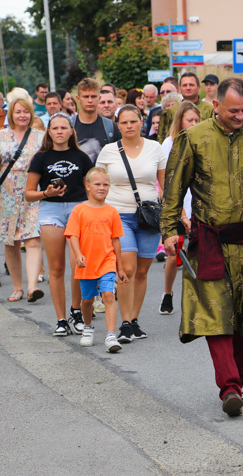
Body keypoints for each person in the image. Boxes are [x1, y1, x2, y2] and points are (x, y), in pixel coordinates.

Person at [161, 77, 243, 417]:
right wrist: (169, 231)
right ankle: (229, 386)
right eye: (233, 110)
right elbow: (173, 190)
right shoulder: (193, 138)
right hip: (208, 240)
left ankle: (237, 385)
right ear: (216, 105)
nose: (240, 115)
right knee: (214, 316)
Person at [96, 104, 167, 343]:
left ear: (141, 122)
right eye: (124, 122)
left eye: (133, 121)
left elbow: (164, 186)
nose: (129, 126)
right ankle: (124, 323)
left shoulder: (155, 148)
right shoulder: (108, 151)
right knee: (126, 268)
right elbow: (99, 184)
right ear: (118, 124)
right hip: (118, 215)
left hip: (149, 217)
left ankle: (135, 320)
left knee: (143, 271)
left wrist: (172, 216)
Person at [26, 113, 94, 336]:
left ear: (71, 130)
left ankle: (76, 311)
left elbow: (91, 188)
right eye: (54, 128)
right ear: (49, 131)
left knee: (78, 266)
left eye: (64, 127)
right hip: (50, 210)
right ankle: (61, 319)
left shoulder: (82, 157)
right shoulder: (41, 158)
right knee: (56, 267)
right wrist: (47, 192)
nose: (59, 132)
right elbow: (29, 193)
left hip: (78, 209)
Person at [0, 97, 46, 302]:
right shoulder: (0, 136)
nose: (22, 115)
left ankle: (33, 287)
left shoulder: (41, 137)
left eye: (26, 111)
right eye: (18, 112)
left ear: (31, 113)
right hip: (7, 192)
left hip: (32, 190)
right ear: (11, 114)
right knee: (11, 242)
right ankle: (18, 287)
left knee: (33, 238)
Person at [65, 167, 128, 352]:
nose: (102, 187)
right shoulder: (79, 210)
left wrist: (120, 268)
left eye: (106, 184)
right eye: (97, 184)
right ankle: (88, 326)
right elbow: (73, 235)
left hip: (106, 260)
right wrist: (78, 255)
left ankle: (110, 335)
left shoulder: (112, 212)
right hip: (87, 263)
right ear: (88, 186)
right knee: (87, 301)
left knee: (108, 295)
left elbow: (116, 240)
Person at [158, 101, 201, 314]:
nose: (193, 123)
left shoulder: (203, 141)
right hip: (178, 208)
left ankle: (197, 298)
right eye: (189, 120)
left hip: (199, 207)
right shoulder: (169, 144)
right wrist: (182, 214)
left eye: (196, 120)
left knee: (201, 253)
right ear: (180, 121)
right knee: (175, 254)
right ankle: (168, 292)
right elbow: (169, 184)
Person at [73, 78, 120, 163]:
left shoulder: (111, 127)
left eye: (93, 96)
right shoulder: (69, 126)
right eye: (86, 97)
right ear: (78, 99)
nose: (90, 100)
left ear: (99, 98)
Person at [158, 72, 215, 139]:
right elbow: (162, 137)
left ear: (199, 87)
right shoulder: (171, 110)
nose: (188, 88)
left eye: (191, 85)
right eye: (184, 85)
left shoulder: (210, 109)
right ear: (179, 89)